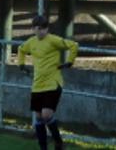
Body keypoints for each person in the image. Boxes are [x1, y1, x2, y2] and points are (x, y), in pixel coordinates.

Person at [18, 14, 78, 150]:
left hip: (53, 83)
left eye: (44, 29)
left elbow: (73, 45)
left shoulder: (53, 40)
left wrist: (70, 62)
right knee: (39, 118)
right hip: (37, 84)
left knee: (46, 115)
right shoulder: (31, 42)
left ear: (47, 29)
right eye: (38, 29)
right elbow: (21, 50)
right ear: (33, 29)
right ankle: (43, 147)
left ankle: (58, 142)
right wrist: (21, 64)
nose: (41, 32)